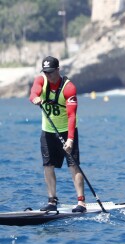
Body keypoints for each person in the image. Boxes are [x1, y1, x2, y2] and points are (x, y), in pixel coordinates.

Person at [29, 56, 86, 213]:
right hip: (48, 130)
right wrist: (35, 98)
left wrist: (70, 140)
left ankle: (81, 202)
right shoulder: (41, 80)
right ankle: (52, 201)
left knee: (73, 165)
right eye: (45, 72)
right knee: (48, 165)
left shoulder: (69, 88)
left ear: (58, 70)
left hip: (68, 130)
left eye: (51, 72)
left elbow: (72, 116)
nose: (48, 75)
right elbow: (33, 93)